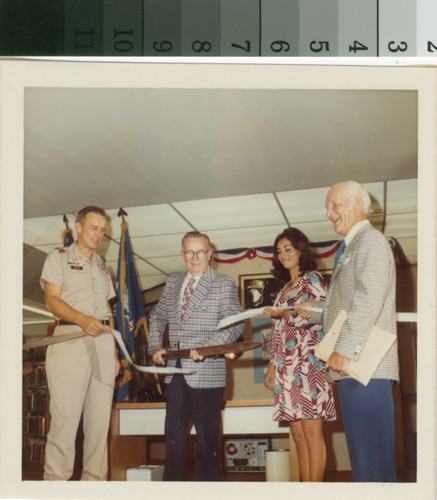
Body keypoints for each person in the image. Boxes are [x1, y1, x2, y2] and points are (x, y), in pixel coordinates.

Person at [296, 181, 399, 482]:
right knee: (365, 463)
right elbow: (346, 305)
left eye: (334, 204)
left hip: (365, 365)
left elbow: (369, 297)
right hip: (354, 366)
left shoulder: (371, 241)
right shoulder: (353, 246)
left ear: (356, 203)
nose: (329, 213)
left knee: (373, 465)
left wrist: (345, 348)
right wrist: (313, 308)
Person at [148, 231, 244, 481]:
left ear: (210, 254)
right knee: (174, 442)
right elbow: (157, 318)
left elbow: (235, 325)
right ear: (182, 254)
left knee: (207, 444)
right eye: (189, 252)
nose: (195, 257)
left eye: (201, 251)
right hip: (176, 374)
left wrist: (209, 346)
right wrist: (155, 347)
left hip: (207, 374)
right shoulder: (172, 282)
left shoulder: (223, 283)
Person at [40, 206, 120, 480]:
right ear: (78, 227)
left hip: (102, 345)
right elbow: (51, 300)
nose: (99, 234)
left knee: (99, 427)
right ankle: (55, 487)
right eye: (93, 228)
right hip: (70, 339)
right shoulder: (58, 258)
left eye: (102, 230)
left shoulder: (101, 265)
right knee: (65, 424)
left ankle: (94, 486)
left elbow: (108, 312)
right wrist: (82, 319)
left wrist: (115, 355)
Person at [263, 228, 336, 482]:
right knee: (297, 435)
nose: (283, 255)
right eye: (279, 251)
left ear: (300, 250)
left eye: (288, 249)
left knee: (312, 433)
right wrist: (272, 365)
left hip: (309, 365)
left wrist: (286, 314)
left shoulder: (313, 279)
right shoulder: (284, 289)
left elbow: (323, 319)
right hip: (286, 369)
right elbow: (278, 334)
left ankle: (314, 491)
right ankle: (305, 488)